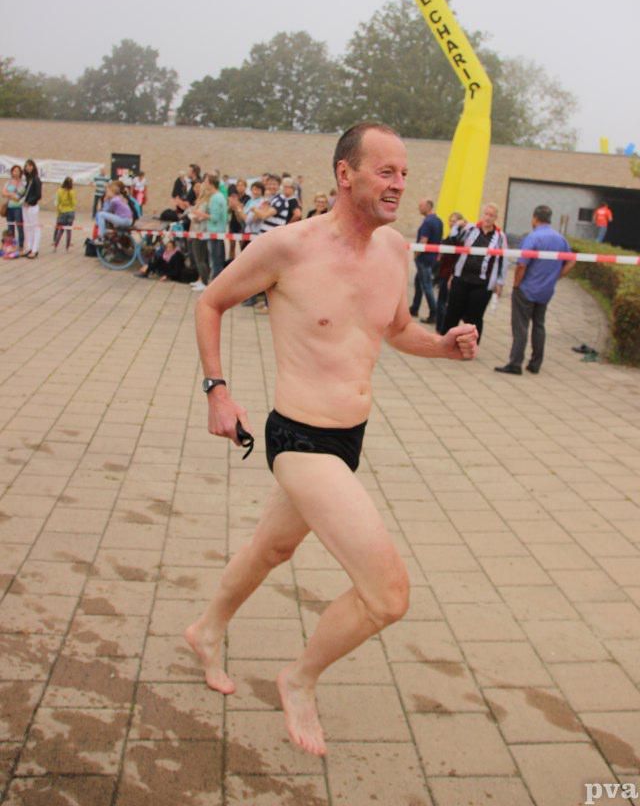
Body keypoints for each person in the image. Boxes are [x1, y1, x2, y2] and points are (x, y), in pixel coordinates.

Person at [185, 122, 478, 757]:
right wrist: (217, 391)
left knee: (271, 549)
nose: (399, 184)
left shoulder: (394, 250)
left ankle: (206, 629)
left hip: (350, 438)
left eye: (404, 173)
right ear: (346, 174)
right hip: (298, 439)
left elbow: (395, 329)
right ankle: (300, 678)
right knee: (387, 595)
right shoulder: (288, 248)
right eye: (385, 171)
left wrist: (443, 346)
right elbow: (209, 303)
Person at [495, 205, 575, 375]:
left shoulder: (532, 237)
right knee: (539, 326)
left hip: (527, 289)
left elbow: (521, 265)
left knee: (520, 326)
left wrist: (516, 285)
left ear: (534, 218)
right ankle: (535, 363)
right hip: (546, 290)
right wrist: (556, 277)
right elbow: (571, 261)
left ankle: (515, 363)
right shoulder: (560, 239)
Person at [443, 202, 508, 341]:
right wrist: (457, 225)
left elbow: (504, 260)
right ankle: (445, 342)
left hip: (482, 284)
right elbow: (453, 239)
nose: (488, 217)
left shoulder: (500, 236)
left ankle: (470, 345)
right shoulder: (470, 229)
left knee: (474, 317)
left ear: (496, 218)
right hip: (461, 278)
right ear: (482, 214)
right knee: (452, 312)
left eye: (491, 215)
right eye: (486, 214)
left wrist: (500, 282)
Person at [409, 199, 443, 325]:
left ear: (428, 207)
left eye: (421, 205)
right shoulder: (438, 221)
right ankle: (414, 308)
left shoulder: (427, 222)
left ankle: (434, 313)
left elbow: (423, 241)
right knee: (418, 282)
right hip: (432, 258)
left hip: (424, 259)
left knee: (427, 286)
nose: (419, 207)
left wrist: (416, 255)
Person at [435, 212, 465, 335]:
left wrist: (452, 275)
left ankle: (442, 327)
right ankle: (440, 326)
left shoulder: (458, 237)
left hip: (450, 273)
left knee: (444, 302)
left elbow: (457, 258)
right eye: (450, 220)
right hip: (443, 271)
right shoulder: (451, 235)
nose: (451, 223)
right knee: (442, 300)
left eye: (454, 221)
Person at [187, 176, 213, 292]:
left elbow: (201, 216)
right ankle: (201, 279)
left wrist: (194, 216)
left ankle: (205, 281)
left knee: (201, 258)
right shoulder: (200, 201)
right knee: (198, 258)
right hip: (196, 231)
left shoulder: (206, 202)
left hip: (201, 232)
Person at [207, 176, 227, 280]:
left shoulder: (215, 198)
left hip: (215, 231)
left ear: (210, 184)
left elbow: (214, 217)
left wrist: (201, 214)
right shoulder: (220, 196)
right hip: (219, 231)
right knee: (218, 258)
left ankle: (216, 281)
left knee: (216, 259)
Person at [22, 159, 42, 259]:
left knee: (35, 228)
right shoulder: (28, 179)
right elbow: (26, 193)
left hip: (32, 207)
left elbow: (38, 195)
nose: (28, 168)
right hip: (25, 207)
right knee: (27, 228)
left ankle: (35, 250)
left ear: (33, 167)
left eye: (30, 166)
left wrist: (29, 202)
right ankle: (28, 248)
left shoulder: (36, 179)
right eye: (26, 166)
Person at [2, 164, 25, 253]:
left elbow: (19, 197)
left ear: (20, 173)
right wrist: (11, 194)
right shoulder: (8, 182)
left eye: (18, 171)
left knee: (20, 227)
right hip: (9, 207)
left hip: (18, 208)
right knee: (10, 227)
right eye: (14, 171)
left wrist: (10, 194)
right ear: (12, 172)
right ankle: (11, 245)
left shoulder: (23, 183)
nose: (16, 172)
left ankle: (21, 245)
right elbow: (3, 193)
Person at [227, 178, 250, 260]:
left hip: (242, 224)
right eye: (238, 185)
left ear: (245, 187)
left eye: (242, 185)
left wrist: (236, 204)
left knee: (242, 247)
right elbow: (229, 210)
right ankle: (230, 262)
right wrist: (231, 205)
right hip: (233, 223)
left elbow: (243, 208)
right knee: (231, 246)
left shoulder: (247, 198)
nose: (240, 187)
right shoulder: (233, 196)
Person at [53, 177, 77, 251]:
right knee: (69, 230)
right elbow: (74, 203)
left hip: (62, 212)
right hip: (70, 212)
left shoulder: (59, 191)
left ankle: (55, 246)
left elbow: (58, 202)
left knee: (61, 230)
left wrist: (58, 212)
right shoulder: (72, 192)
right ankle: (67, 247)